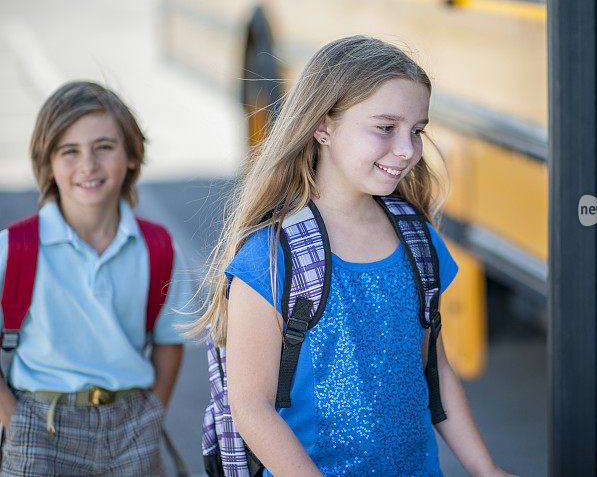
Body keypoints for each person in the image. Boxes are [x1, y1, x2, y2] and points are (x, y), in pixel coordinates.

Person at [190, 36, 514, 476]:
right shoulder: (271, 255)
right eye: (385, 127)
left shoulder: (419, 242)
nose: (406, 150)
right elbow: (250, 407)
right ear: (323, 126)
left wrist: (486, 470)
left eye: (417, 131)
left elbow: (434, 372)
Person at [0, 81, 189, 476]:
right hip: (41, 422)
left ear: (132, 156)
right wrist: (14, 421)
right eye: (69, 151)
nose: (88, 164)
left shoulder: (157, 247)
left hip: (132, 423)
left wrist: (152, 413)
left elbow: (170, 340)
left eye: (104, 146)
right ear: (47, 165)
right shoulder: (14, 248)